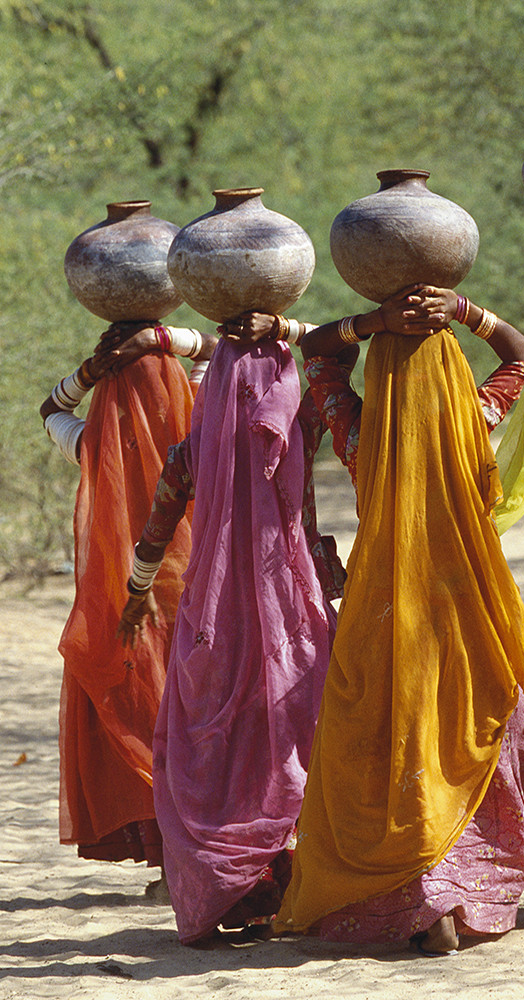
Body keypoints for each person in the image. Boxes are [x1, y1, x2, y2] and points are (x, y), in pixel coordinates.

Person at [273, 285, 524, 954]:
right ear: (454, 378)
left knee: (399, 737)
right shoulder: (474, 416)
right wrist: (464, 313)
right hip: (469, 608)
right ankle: (460, 894)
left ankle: (414, 895)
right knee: (468, 735)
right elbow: (523, 355)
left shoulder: (361, 434)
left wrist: (373, 323)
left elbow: (316, 353)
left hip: (386, 608)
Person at [117, 315, 340, 945]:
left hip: (211, 622)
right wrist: (286, 328)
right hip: (292, 616)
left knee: (216, 755)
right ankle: (286, 891)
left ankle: (224, 895)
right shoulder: (303, 428)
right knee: (288, 750)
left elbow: (154, 535)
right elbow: (333, 345)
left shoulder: (190, 455)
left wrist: (136, 595)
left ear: (211, 389)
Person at [39, 321, 214, 893]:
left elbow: (49, 411)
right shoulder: (202, 428)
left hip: (129, 603)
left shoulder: (94, 443)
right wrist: (164, 340)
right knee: (201, 723)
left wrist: (88, 374)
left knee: (148, 720)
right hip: (198, 597)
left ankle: (170, 865)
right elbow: (221, 348)